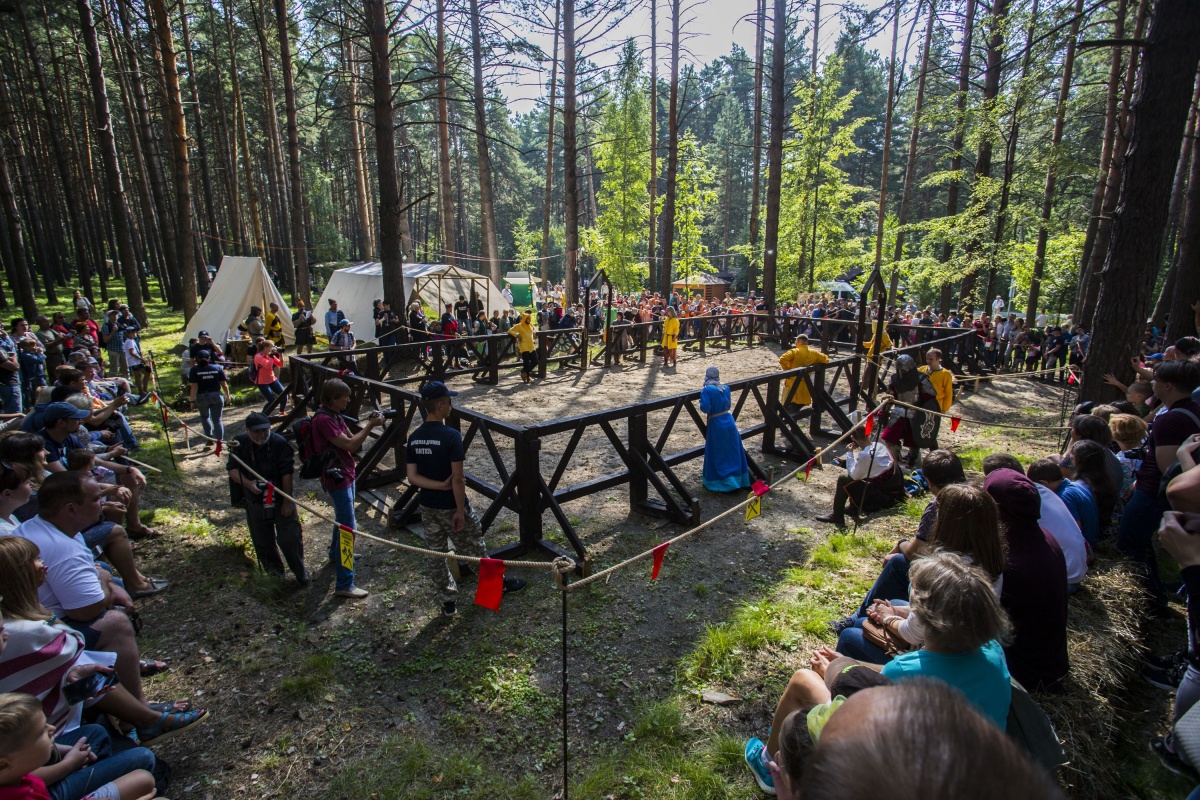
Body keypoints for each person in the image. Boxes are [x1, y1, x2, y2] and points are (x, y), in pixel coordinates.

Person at [746, 553, 1015, 794]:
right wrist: (848, 662)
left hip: (911, 777)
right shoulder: (992, 651)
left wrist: (834, 673)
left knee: (803, 680)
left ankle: (769, 766)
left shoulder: (903, 674)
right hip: (974, 775)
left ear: (923, 619)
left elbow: (859, 709)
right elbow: (899, 671)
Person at [12, 473, 160, 704]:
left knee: (110, 580)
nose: (102, 503)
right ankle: (138, 708)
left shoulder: (43, 526)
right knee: (116, 623)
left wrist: (108, 581)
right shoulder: (62, 549)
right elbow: (85, 611)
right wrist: (104, 578)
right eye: (95, 499)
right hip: (41, 637)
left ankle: (123, 669)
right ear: (71, 509)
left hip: (38, 622)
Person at [405, 382, 525, 616]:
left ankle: (447, 600)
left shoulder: (415, 437)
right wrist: (460, 510)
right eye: (449, 402)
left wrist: (437, 485)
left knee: (436, 554)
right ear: (440, 405)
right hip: (450, 504)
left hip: (427, 504)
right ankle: (494, 589)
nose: (451, 405)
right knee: (474, 547)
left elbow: (412, 477)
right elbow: (458, 480)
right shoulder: (451, 436)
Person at [1118, 359, 1200, 606]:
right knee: (1140, 542)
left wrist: (1141, 485)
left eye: (1156, 380)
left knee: (1129, 542)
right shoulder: (1194, 409)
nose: (1152, 383)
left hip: (1152, 494)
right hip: (1151, 489)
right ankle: (1156, 593)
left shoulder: (1169, 419)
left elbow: (1167, 469)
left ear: (1168, 386)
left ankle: (1150, 600)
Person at [983, 467, 1069, 692]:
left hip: (1022, 671)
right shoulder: (1042, 537)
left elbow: (981, 626)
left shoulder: (1011, 562)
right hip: (1049, 661)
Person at [0, 692, 160, 800]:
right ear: (3, 763)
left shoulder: (20, 778)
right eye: (42, 732)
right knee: (143, 774)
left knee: (142, 780)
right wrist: (68, 765)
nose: (52, 729)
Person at [309, 379, 383, 599]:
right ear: (332, 398)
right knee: (348, 528)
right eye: (345, 397)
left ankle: (335, 554)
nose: (348, 400)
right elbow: (351, 445)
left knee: (342, 519)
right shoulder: (324, 420)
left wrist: (367, 423)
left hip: (345, 475)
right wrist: (370, 426)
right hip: (337, 478)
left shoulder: (333, 415)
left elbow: (350, 438)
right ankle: (345, 583)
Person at [228, 413, 307, 583]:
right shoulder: (239, 443)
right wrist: (249, 485)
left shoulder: (279, 443)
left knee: (290, 539)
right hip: (254, 500)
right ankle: (275, 578)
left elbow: (287, 473)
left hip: (280, 497)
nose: (261, 435)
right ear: (247, 430)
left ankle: (301, 573)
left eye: (265, 430)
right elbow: (232, 469)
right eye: (256, 432)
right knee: (263, 542)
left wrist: (287, 502)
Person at [816, 426, 904, 527]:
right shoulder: (879, 446)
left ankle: (837, 516)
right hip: (893, 492)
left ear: (853, 438)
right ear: (869, 434)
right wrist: (845, 463)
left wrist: (849, 453)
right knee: (862, 475)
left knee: (843, 478)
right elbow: (864, 467)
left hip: (884, 499)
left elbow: (854, 475)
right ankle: (853, 508)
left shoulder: (866, 455)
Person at [880, 354, 940, 468]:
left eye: (904, 368)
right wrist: (883, 413)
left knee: (915, 439)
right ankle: (894, 462)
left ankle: (913, 461)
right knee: (889, 437)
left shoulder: (922, 379)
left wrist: (925, 414)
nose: (902, 371)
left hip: (917, 413)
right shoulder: (894, 380)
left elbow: (931, 399)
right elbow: (889, 398)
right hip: (899, 412)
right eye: (900, 369)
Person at [699, 367, 751, 492]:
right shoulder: (725, 388)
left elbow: (705, 408)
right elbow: (728, 405)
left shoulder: (707, 390)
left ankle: (722, 482)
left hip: (716, 423)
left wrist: (702, 400)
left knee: (718, 452)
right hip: (728, 420)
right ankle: (738, 480)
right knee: (732, 451)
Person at [778, 335, 829, 408]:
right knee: (797, 406)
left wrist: (787, 371)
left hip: (792, 383)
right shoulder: (814, 353)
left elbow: (782, 360)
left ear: (798, 342)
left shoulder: (795, 351)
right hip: (805, 384)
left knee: (788, 406)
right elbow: (826, 359)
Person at [251, 339, 285, 412]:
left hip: (272, 379)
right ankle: (263, 415)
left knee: (284, 395)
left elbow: (281, 365)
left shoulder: (270, 356)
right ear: (266, 348)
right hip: (262, 382)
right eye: (271, 347)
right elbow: (268, 366)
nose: (273, 349)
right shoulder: (258, 356)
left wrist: (280, 354)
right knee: (271, 401)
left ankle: (282, 411)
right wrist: (271, 356)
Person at [120, 331, 151, 400]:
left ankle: (144, 390)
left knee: (142, 374)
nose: (135, 334)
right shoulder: (129, 342)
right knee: (141, 375)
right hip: (134, 362)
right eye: (132, 333)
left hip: (136, 361)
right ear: (128, 333)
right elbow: (132, 353)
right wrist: (140, 358)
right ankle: (142, 391)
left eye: (135, 332)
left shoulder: (132, 340)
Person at [508, 312, 537, 384]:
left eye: (530, 318)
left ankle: (524, 372)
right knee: (526, 362)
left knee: (535, 361)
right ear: (524, 319)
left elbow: (534, 330)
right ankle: (527, 377)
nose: (529, 320)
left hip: (531, 346)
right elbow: (510, 330)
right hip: (524, 346)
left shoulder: (531, 325)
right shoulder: (519, 326)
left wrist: (535, 332)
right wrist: (517, 334)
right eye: (528, 319)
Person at [0, 323, 21, 414]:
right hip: (7, 384)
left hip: (11, 382)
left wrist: (6, 338)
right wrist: (14, 359)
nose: (2, 328)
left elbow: (11, 351)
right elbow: (14, 367)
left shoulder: (3, 342)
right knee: (14, 416)